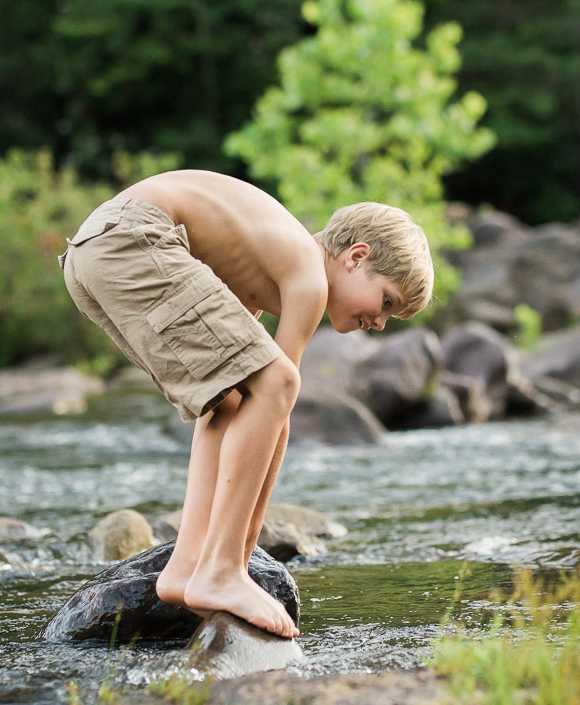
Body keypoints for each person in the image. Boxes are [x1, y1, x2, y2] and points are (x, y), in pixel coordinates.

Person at [58, 169, 434, 638]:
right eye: (385, 301)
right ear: (357, 257)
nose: (379, 322)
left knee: (231, 398)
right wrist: (242, 557)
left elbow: (238, 406)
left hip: (92, 252)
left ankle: (188, 565)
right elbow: (280, 399)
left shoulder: (260, 261)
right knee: (276, 383)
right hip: (134, 238)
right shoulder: (307, 275)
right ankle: (218, 569)